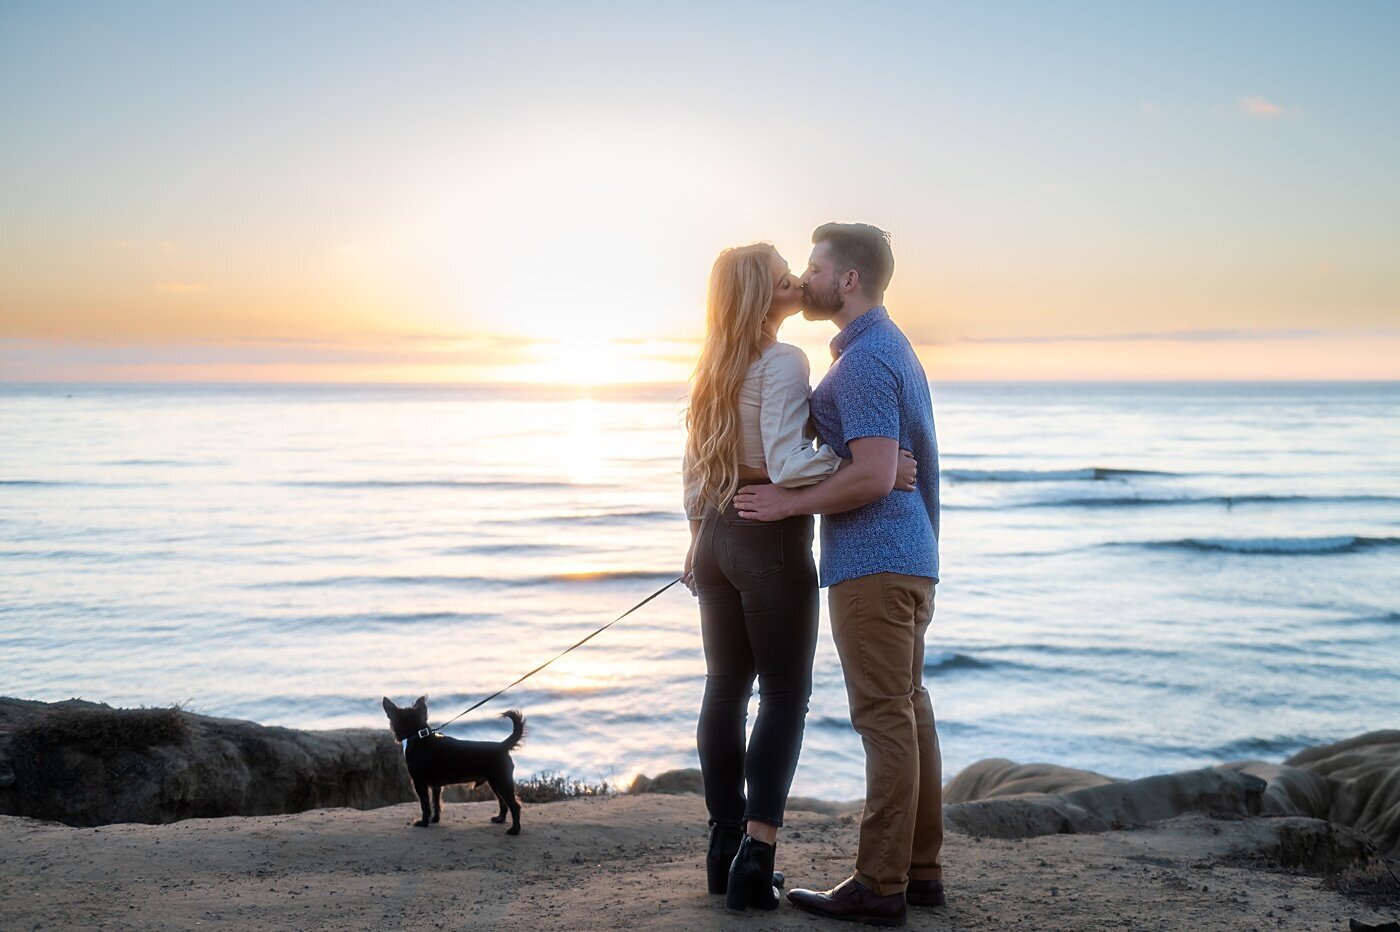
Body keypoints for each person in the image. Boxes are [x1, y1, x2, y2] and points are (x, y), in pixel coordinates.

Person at [682, 242, 917, 912]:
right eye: (784, 277)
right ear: (763, 296)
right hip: (769, 537)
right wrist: (857, 466)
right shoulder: (784, 360)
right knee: (785, 696)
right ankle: (758, 858)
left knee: (724, 687)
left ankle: (722, 848)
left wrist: (695, 539)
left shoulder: (711, 363)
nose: (796, 283)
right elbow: (787, 464)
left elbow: (694, 470)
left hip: (719, 535)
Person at [733, 223, 943, 927]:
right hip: (909, 557)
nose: (808, 277)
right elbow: (884, 464)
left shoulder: (861, 362)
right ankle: (920, 871)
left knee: (885, 718)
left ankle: (879, 885)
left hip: (873, 563)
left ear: (848, 280)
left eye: (817, 267)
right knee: (910, 711)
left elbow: (876, 474)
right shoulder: (890, 347)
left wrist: (789, 499)